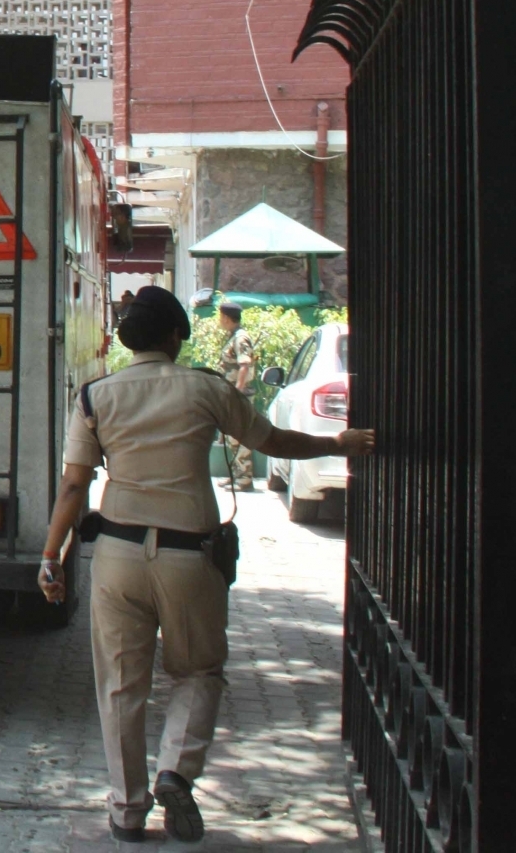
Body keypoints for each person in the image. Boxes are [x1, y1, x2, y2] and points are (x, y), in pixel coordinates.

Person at [38, 286, 374, 843]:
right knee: (198, 672)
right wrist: (337, 443)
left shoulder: (95, 396)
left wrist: (51, 557)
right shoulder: (205, 388)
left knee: (120, 687)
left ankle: (127, 811)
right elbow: (274, 440)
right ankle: (175, 769)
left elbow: (75, 484)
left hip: (117, 555)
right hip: (189, 555)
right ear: (176, 336)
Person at [215, 302, 257, 488]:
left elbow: (244, 366)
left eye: (220, 316)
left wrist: (237, 393)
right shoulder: (233, 336)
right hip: (230, 394)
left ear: (226, 317)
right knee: (232, 436)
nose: (219, 320)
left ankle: (244, 478)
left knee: (239, 436)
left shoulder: (240, 338)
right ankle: (236, 474)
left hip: (239, 395)